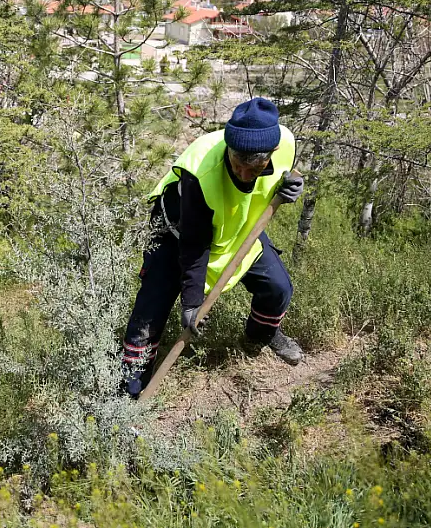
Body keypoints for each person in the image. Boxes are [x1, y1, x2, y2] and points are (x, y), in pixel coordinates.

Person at [121, 97, 305, 398]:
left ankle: (259, 336)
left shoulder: (283, 143)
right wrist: (192, 303)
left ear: (270, 154)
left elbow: (283, 176)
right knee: (148, 316)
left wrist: (290, 187)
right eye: (237, 166)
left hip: (238, 231)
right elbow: (194, 246)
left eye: (254, 168)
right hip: (177, 234)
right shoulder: (200, 173)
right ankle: (128, 393)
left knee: (278, 287)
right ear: (228, 150)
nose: (244, 176)